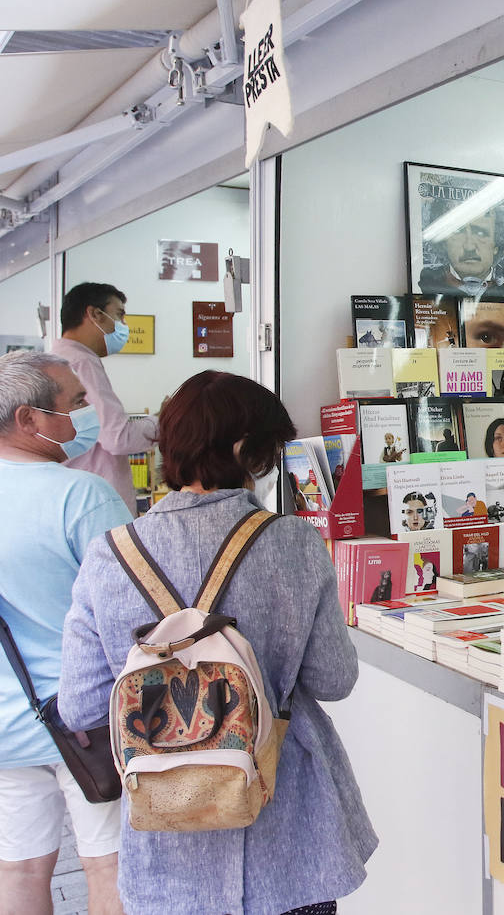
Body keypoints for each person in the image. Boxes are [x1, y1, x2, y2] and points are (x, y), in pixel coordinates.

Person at [59, 370, 376, 915]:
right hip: (288, 829)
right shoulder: (293, 542)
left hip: (168, 842)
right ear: (245, 451)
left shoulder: (109, 554)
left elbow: (82, 705)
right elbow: (334, 679)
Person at [0, 352, 131, 915]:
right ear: (30, 420)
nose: (85, 415)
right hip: (84, 720)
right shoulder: (81, 497)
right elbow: (130, 612)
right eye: (76, 404)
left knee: (22, 868)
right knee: (108, 863)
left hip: (6, 721)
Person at [51, 283, 160, 515]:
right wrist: (163, 419)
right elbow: (117, 438)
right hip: (95, 502)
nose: (123, 326)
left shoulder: (58, 359)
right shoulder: (81, 363)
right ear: (95, 314)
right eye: (119, 315)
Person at [416, 198, 504, 300]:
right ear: (444, 243)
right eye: (457, 232)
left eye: (480, 233)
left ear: (496, 244)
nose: (469, 247)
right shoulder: (426, 284)